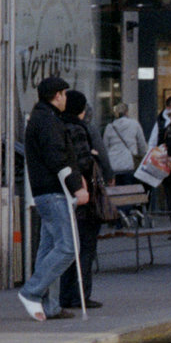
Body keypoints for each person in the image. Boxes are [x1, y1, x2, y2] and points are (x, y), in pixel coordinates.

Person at [18, 76, 87, 322]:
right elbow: (58, 158)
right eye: (64, 94)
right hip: (54, 191)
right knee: (68, 247)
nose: (66, 98)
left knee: (48, 249)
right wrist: (76, 187)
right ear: (57, 96)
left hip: (46, 191)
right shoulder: (48, 121)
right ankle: (31, 291)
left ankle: (50, 305)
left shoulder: (43, 118)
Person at [58, 90, 113, 311]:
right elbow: (85, 162)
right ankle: (80, 295)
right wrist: (95, 158)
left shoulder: (57, 125)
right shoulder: (80, 128)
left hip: (62, 193)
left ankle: (64, 295)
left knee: (68, 247)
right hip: (83, 195)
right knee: (85, 247)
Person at [103, 101, 147, 186]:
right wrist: (142, 157)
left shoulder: (109, 127)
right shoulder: (134, 124)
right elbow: (142, 145)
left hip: (113, 165)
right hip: (130, 163)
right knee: (129, 190)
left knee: (116, 191)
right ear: (127, 112)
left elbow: (105, 147)